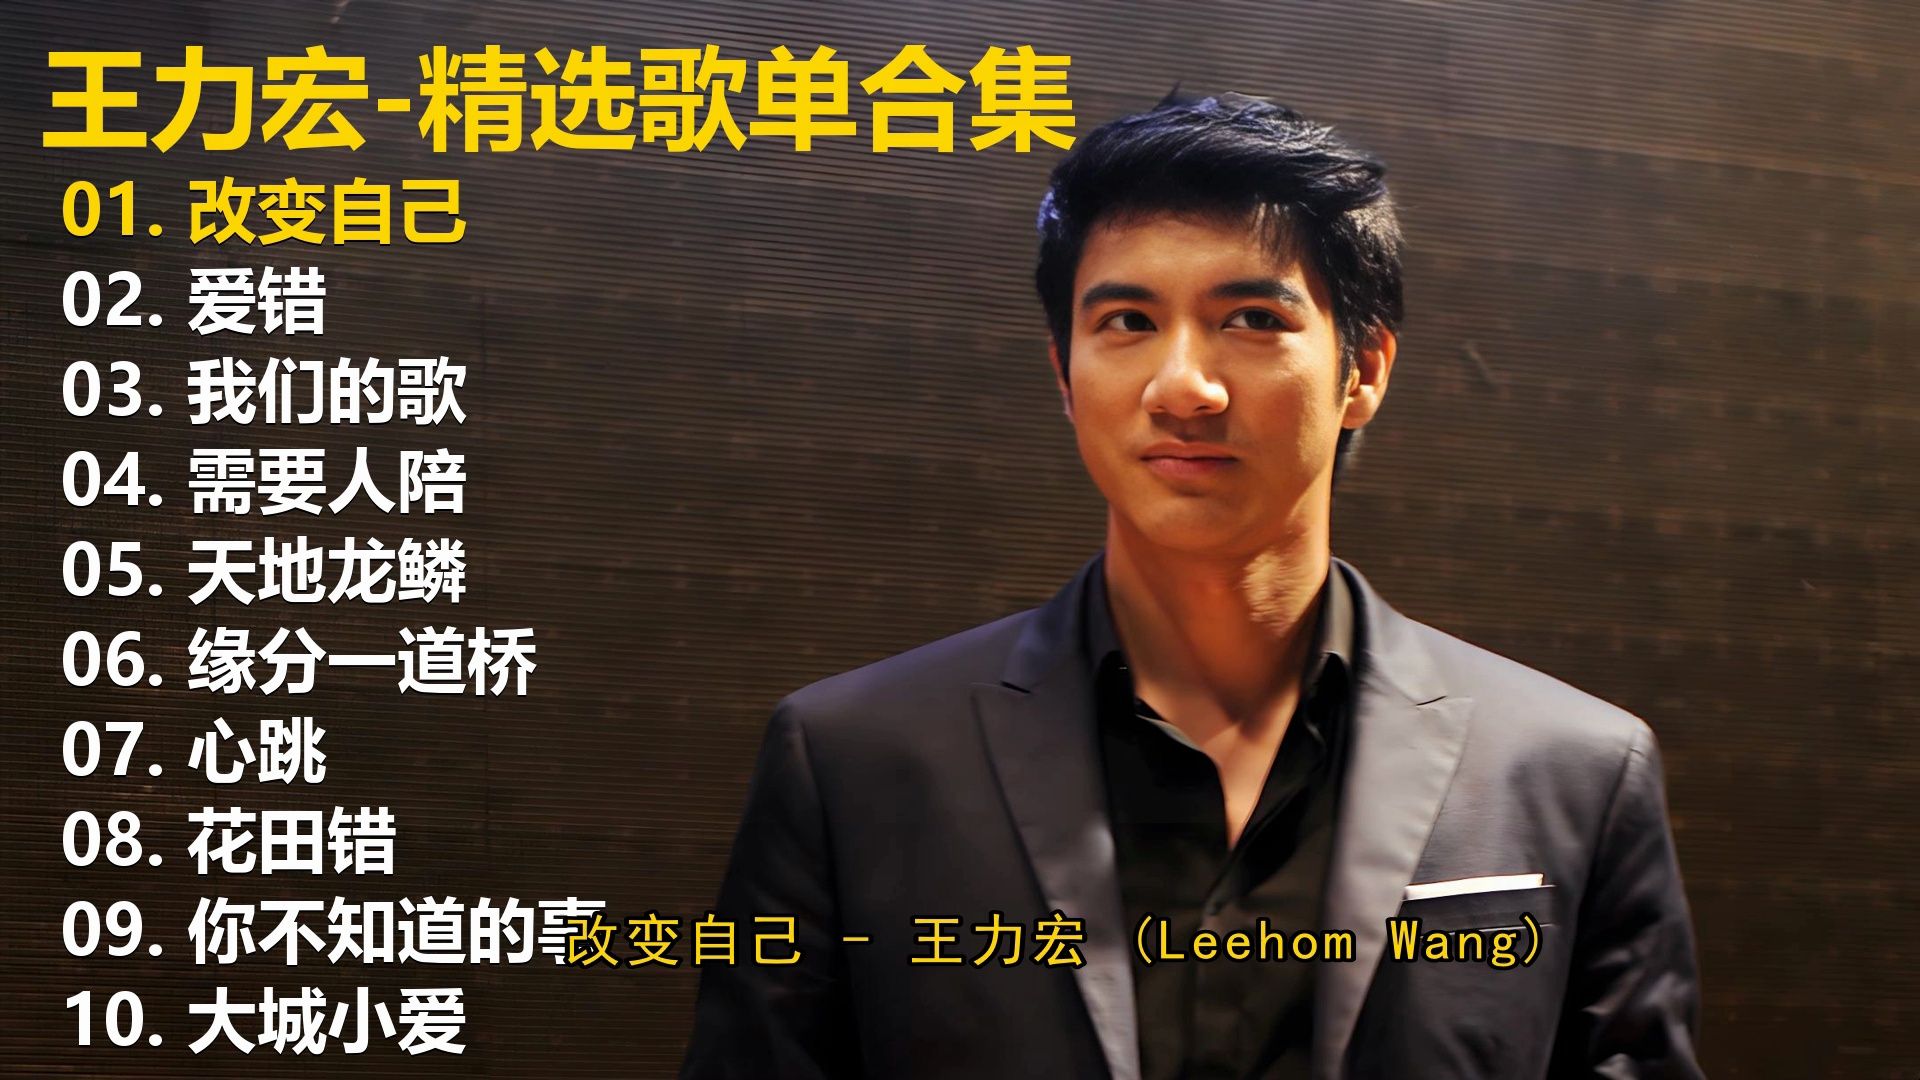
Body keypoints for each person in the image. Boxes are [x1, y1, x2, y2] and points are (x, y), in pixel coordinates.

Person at [680, 90, 1705, 1080]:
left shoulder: (1570, 772)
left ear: (1364, 372)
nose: (1184, 387)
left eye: (1251, 318)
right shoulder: (853, 764)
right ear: (1064, 374)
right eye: (1127, 320)